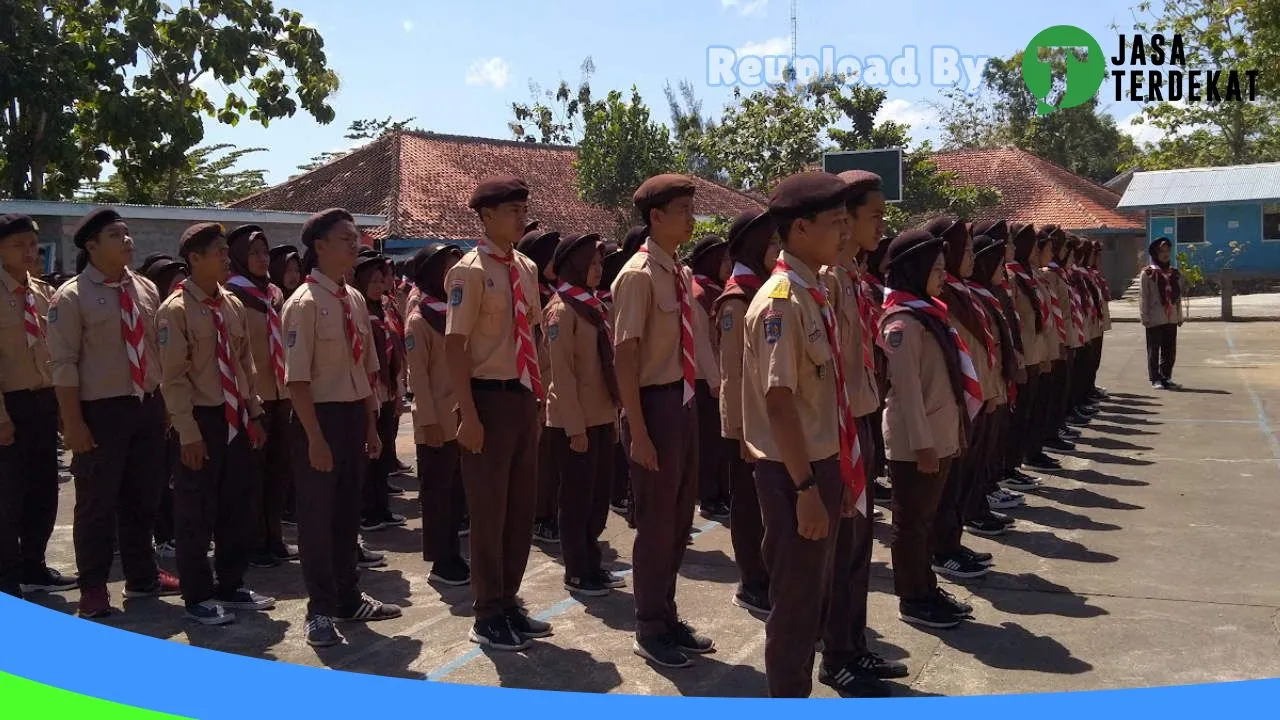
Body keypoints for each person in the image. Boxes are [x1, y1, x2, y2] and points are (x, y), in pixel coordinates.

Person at [739, 172, 859, 697]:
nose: (846, 232)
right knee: (795, 607)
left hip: (822, 465)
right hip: (796, 473)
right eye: (836, 223)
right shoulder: (781, 302)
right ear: (802, 228)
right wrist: (807, 489)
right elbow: (779, 402)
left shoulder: (816, 290)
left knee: (817, 595)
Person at [47, 208, 181, 618]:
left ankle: (142, 576)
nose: (127, 240)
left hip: (146, 404)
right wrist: (72, 422)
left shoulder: (143, 288)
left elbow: (157, 350)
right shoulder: (71, 296)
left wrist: (166, 408)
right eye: (115, 235)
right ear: (91, 246)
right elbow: (63, 364)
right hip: (100, 410)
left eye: (127, 233)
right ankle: (93, 587)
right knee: (96, 504)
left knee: (144, 498)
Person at [612, 174, 718, 669]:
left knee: (678, 522)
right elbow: (626, 357)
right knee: (655, 524)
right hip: (653, 405)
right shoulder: (637, 275)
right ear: (655, 217)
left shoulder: (678, 271)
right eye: (682, 210)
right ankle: (649, 624)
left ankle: (668, 614)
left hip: (683, 400)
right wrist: (636, 429)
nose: (690, 218)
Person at [283, 208, 401, 648]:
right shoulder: (303, 304)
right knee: (317, 519)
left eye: (356, 237)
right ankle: (320, 610)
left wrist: (371, 425)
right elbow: (296, 381)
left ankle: (349, 597)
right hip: (320, 417)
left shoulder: (352, 299)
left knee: (347, 513)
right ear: (320, 246)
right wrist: (314, 438)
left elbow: (366, 369)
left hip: (353, 414)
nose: (356, 244)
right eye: (347, 238)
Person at [445, 176, 550, 651]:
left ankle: (508, 600)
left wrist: (540, 395)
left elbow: (535, 332)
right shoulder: (469, 271)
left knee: (520, 508)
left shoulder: (525, 267)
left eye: (523, 209)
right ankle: (486, 612)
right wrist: (466, 413)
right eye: (512, 210)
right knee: (488, 511)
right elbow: (455, 345)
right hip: (486, 398)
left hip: (522, 397)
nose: (520, 217)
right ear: (486, 216)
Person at [157, 223, 275, 626]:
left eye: (227, 252)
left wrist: (253, 412)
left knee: (236, 506)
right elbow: (172, 379)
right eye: (219, 253)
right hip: (200, 419)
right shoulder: (175, 310)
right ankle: (198, 595)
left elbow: (244, 364)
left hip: (234, 416)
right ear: (194, 260)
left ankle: (231, 583)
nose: (227, 259)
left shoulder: (231, 304)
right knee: (196, 512)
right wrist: (187, 434)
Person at [818, 171, 905, 694]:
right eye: (874, 213)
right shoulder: (826, 283)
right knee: (841, 548)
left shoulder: (853, 279)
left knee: (858, 548)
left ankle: (854, 646)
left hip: (864, 418)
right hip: (841, 426)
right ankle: (835, 658)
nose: (883, 222)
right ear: (845, 220)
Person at [879, 229, 976, 630]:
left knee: (925, 519)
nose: (942, 275)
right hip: (916, 444)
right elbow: (906, 394)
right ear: (915, 270)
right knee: (911, 524)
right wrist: (923, 447)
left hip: (939, 436)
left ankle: (926, 586)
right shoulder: (902, 322)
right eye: (936, 268)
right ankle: (913, 597)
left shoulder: (929, 312)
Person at [0, 214, 78, 599]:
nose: (30, 252)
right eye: (19, 245)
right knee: (7, 497)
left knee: (44, 491)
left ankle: (34, 565)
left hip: (43, 401)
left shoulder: (42, 293)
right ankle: (7, 576)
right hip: (9, 404)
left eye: (32, 245)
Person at [545, 233, 623, 597]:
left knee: (597, 496)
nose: (598, 269)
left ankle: (593, 561)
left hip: (601, 416)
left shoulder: (591, 305)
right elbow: (562, 374)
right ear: (574, 265)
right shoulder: (562, 310)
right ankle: (576, 570)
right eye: (592, 263)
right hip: (574, 422)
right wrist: (576, 427)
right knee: (576, 500)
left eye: (600, 263)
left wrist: (612, 416)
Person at [925, 216, 1005, 557]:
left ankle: (957, 536)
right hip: (955, 404)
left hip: (977, 396)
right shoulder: (942, 299)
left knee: (967, 473)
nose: (971, 256)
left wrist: (989, 390)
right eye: (966, 249)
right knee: (950, 483)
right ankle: (945, 547)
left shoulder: (963, 293)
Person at [713, 210, 778, 617]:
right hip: (747, 424)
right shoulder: (737, 299)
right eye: (771, 244)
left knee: (769, 505)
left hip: (770, 417)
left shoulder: (766, 289)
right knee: (749, 508)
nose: (778, 251)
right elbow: (732, 371)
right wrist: (738, 431)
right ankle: (752, 581)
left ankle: (769, 574)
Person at [224, 225, 299, 570]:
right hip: (250, 396)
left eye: (265, 253)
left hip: (280, 393)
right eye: (253, 253)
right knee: (251, 475)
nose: (261, 259)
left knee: (279, 470)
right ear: (238, 257)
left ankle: (274, 538)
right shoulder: (232, 295)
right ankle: (253, 543)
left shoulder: (275, 294)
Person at [405, 243, 470, 586]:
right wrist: (427, 420)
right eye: (445, 268)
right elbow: (418, 377)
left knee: (455, 491)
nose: (452, 274)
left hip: (460, 416)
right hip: (436, 419)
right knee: (437, 493)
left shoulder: (454, 313)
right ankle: (440, 559)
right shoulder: (419, 320)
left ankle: (452, 553)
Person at [967, 234, 1025, 530]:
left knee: (991, 446)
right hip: (982, 390)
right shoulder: (967, 298)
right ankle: (975, 507)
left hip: (996, 384)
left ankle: (984, 497)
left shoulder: (986, 294)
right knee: (977, 455)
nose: (1003, 267)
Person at [352, 253, 407, 533]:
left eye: (379, 279)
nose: (377, 285)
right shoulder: (359, 313)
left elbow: (394, 352)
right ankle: (367, 511)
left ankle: (381, 506)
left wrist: (397, 391)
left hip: (387, 391)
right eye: (371, 281)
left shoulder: (384, 311)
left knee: (383, 449)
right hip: (368, 391)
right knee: (368, 454)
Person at [516, 227, 563, 545]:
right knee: (538, 457)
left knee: (551, 457)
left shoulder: (554, 294)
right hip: (536, 385)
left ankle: (548, 511)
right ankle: (538, 516)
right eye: (551, 256)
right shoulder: (529, 298)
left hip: (555, 384)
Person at [140, 255, 189, 560]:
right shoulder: (158, 317)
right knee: (156, 478)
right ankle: (162, 535)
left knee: (176, 476)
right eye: (171, 283)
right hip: (156, 401)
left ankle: (172, 532)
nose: (178, 288)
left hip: (179, 406)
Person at [685, 235, 731, 520]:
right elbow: (701, 341)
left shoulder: (716, 289)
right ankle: (708, 495)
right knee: (709, 441)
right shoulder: (699, 293)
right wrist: (715, 380)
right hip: (706, 379)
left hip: (719, 376)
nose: (728, 265)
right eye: (723, 259)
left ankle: (720, 491)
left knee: (720, 441)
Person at [1003, 222, 1050, 484]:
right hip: (1022, 355)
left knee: (1030, 412)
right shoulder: (1011, 277)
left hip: (1034, 351)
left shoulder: (1028, 274)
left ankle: (1021, 459)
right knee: (1017, 416)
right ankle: (1010, 466)